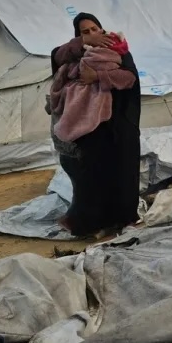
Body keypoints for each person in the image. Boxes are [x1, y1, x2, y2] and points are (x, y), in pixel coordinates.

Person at [48, 13, 142, 237]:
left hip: (120, 125)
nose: (91, 34)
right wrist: (82, 44)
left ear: (102, 28)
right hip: (91, 128)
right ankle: (94, 223)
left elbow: (130, 78)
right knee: (92, 176)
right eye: (84, 32)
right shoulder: (72, 54)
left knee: (123, 171)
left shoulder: (119, 50)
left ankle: (125, 218)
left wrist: (98, 76)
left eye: (93, 29)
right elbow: (55, 57)